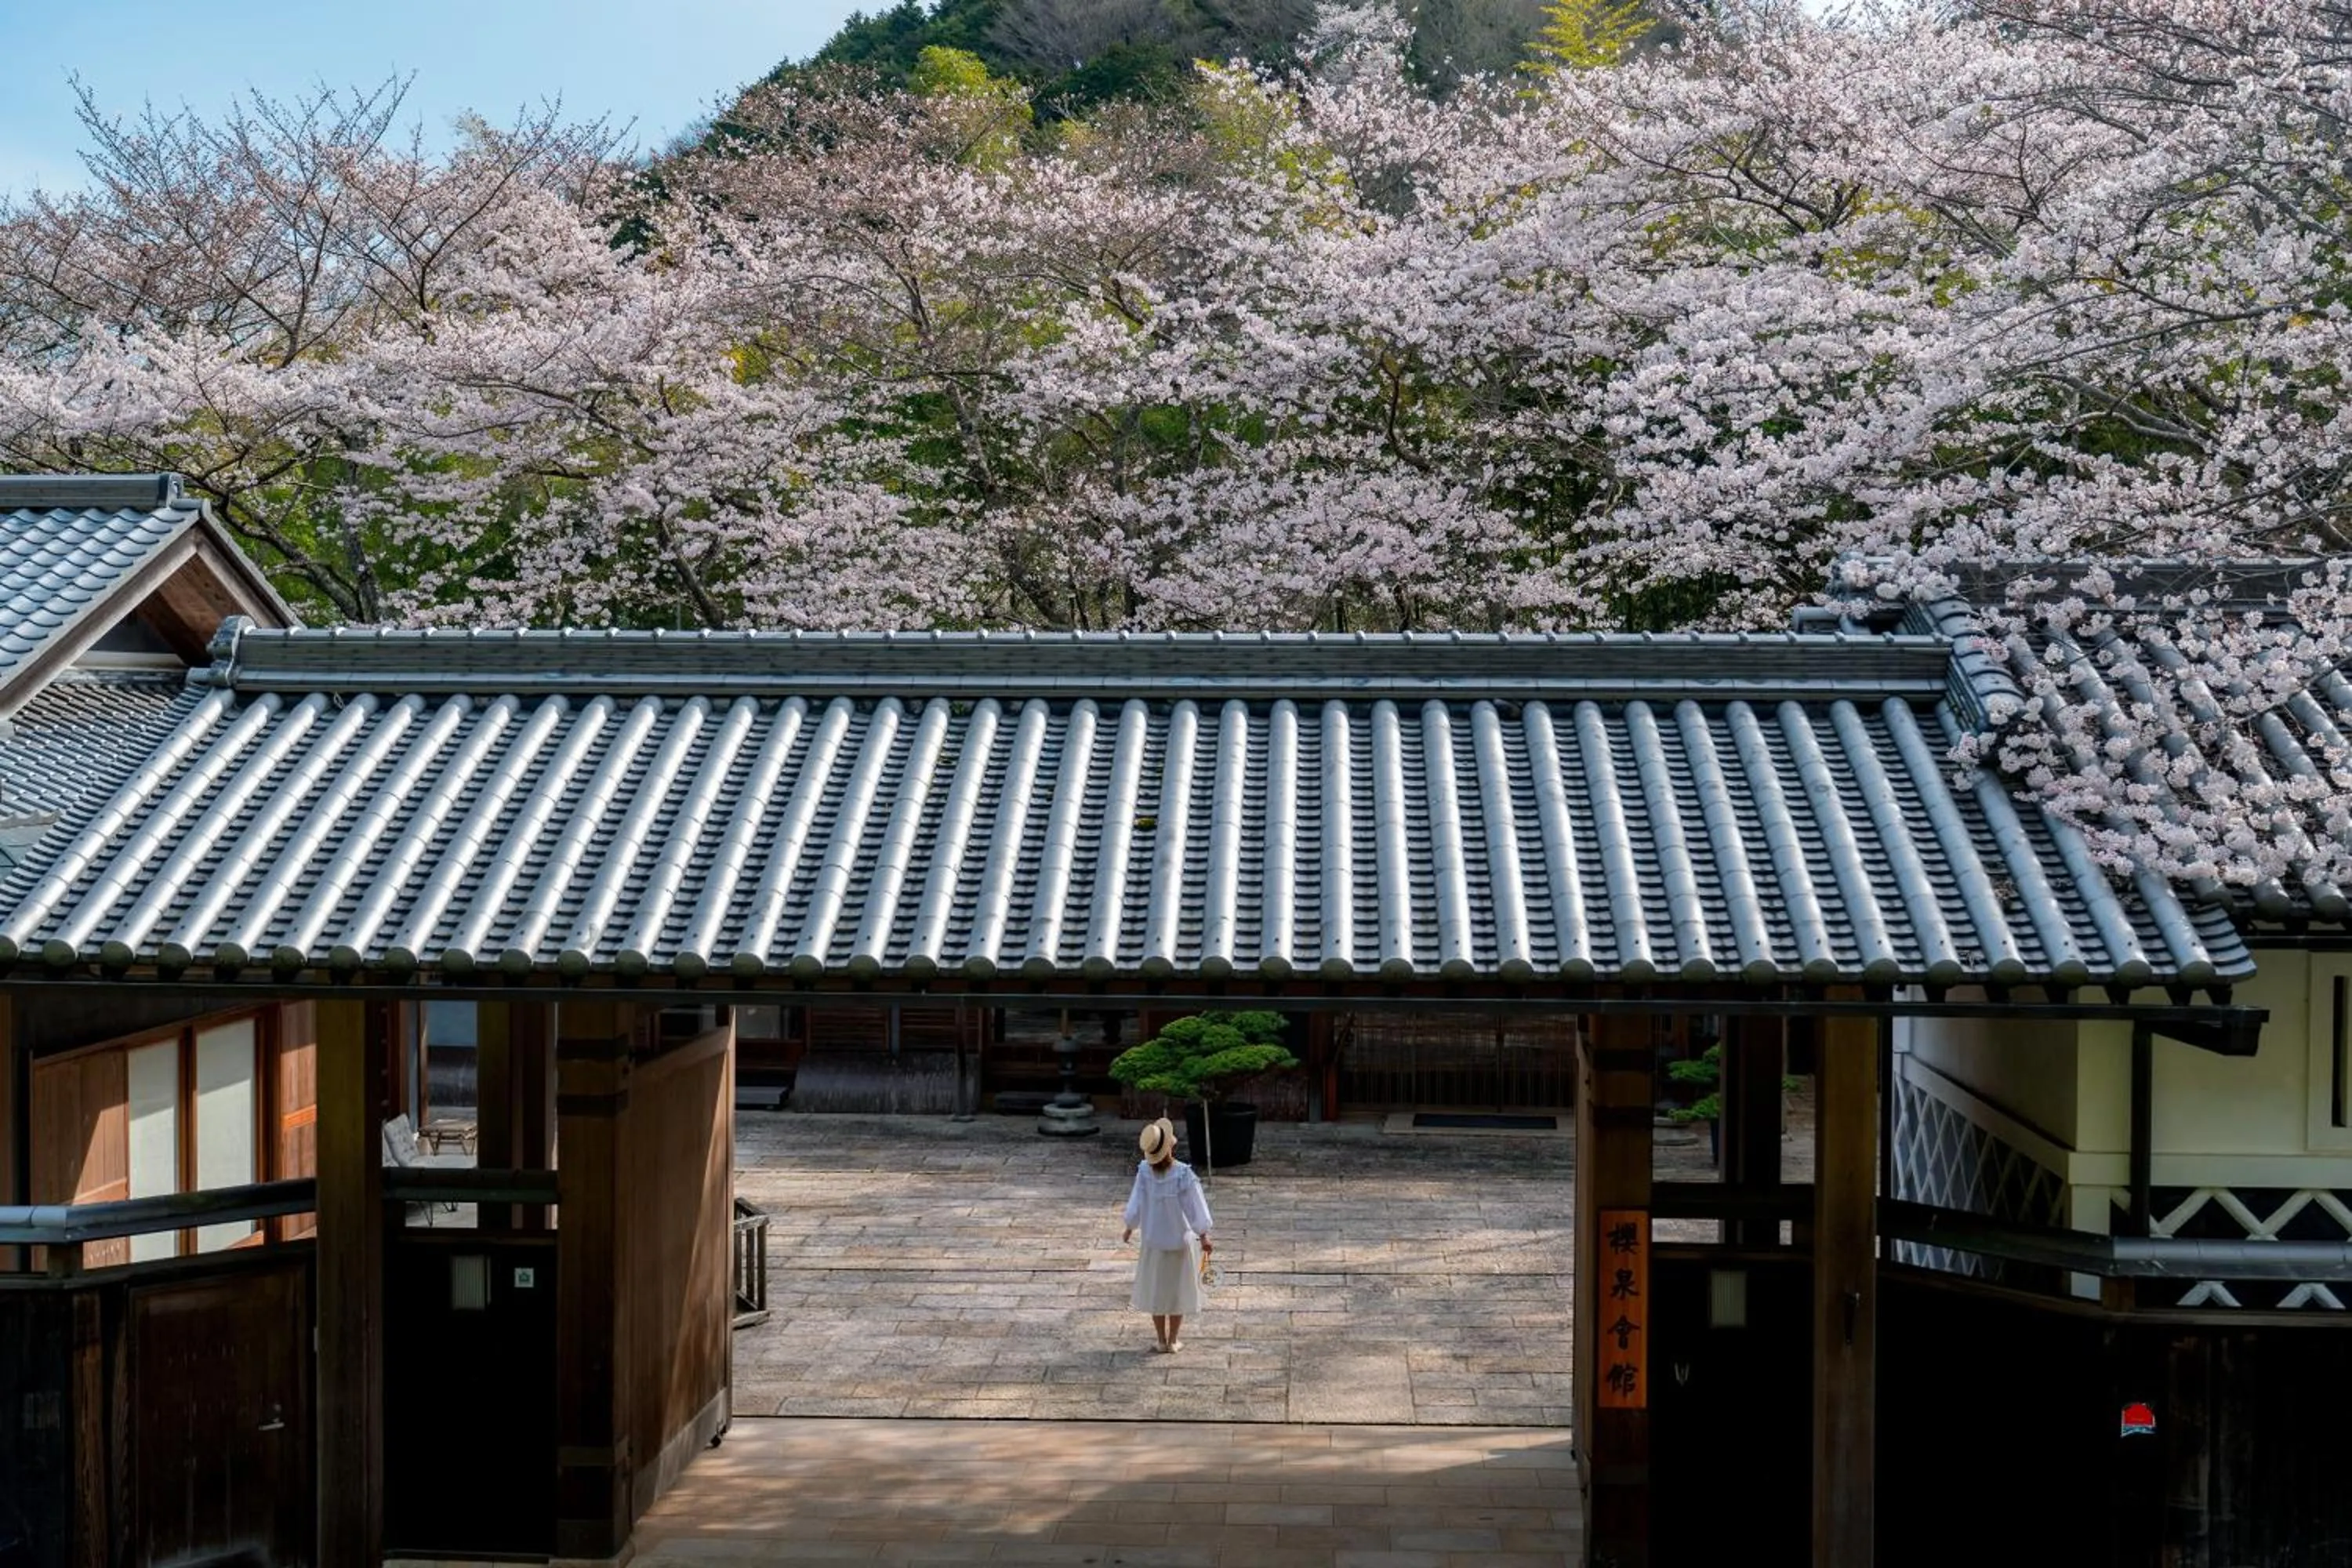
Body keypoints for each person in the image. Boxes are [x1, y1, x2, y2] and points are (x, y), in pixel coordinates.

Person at [1121, 1117, 1214, 1353]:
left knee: (1157, 1291)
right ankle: (1173, 1340)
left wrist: (1130, 1226)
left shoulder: (1144, 1173)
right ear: (1170, 1147)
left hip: (1154, 1242)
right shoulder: (1183, 1175)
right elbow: (1196, 1208)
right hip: (1179, 1243)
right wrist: (1203, 1236)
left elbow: (1136, 1204)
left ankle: (1161, 1339)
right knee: (1177, 1292)